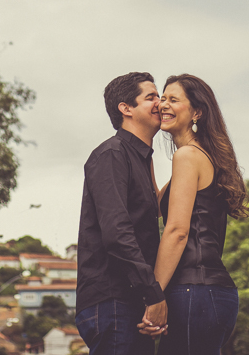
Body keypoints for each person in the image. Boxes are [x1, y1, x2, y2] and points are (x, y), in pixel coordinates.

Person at [143, 73, 249, 355]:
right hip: (210, 294)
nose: (162, 104)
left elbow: (177, 231)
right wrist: (145, 143)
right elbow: (154, 207)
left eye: (173, 100)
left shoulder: (188, 157)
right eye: (161, 98)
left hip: (195, 291)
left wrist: (152, 293)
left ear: (197, 112)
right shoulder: (198, 155)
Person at [75, 72, 168, 355]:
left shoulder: (141, 161)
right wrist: (153, 294)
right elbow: (117, 233)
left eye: (160, 96)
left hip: (130, 303)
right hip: (113, 301)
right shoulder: (112, 154)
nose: (160, 103)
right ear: (126, 109)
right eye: (150, 97)